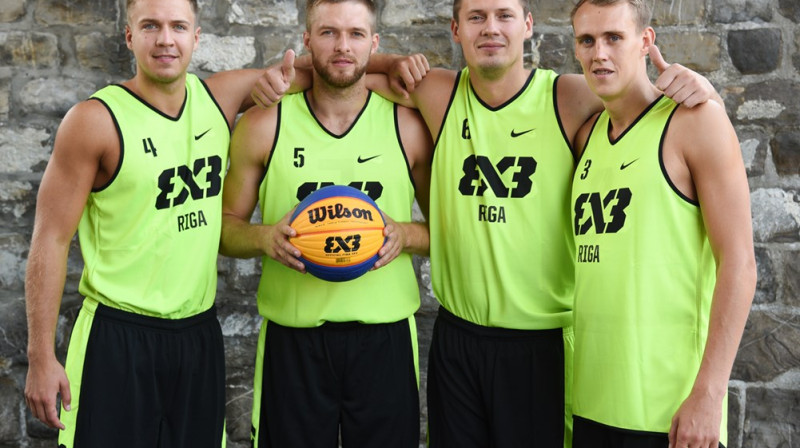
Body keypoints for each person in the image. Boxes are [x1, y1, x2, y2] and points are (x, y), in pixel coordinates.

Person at [251, 1, 719, 446]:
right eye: (476, 17)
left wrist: (706, 94)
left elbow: (644, 105)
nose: (490, 28)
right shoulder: (439, 94)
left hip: (540, 341)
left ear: (528, 25)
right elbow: (341, 71)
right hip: (458, 341)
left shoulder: (569, 96)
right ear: (456, 30)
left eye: (503, 16)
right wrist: (391, 59)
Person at [23, 0, 273, 446]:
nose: (165, 39)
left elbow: (327, 71)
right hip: (117, 337)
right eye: (150, 25)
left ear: (196, 38)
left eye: (178, 26)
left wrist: (392, 64)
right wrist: (40, 356)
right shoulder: (94, 121)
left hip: (198, 335)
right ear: (129, 36)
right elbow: (51, 239)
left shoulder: (221, 99)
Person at [218, 1, 433, 447]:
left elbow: (449, 229)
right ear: (307, 40)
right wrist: (263, 237)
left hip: (385, 339)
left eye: (356, 34)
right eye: (329, 32)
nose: (342, 46)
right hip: (294, 340)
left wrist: (405, 234)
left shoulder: (407, 126)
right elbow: (224, 227)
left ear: (374, 45)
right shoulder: (263, 123)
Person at [568, 1, 756, 447]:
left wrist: (709, 393)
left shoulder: (695, 120)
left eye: (614, 38)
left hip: (673, 415)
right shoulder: (585, 136)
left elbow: (740, 264)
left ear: (645, 42)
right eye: (587, 41)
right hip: (591, 404)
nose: (600, 54)